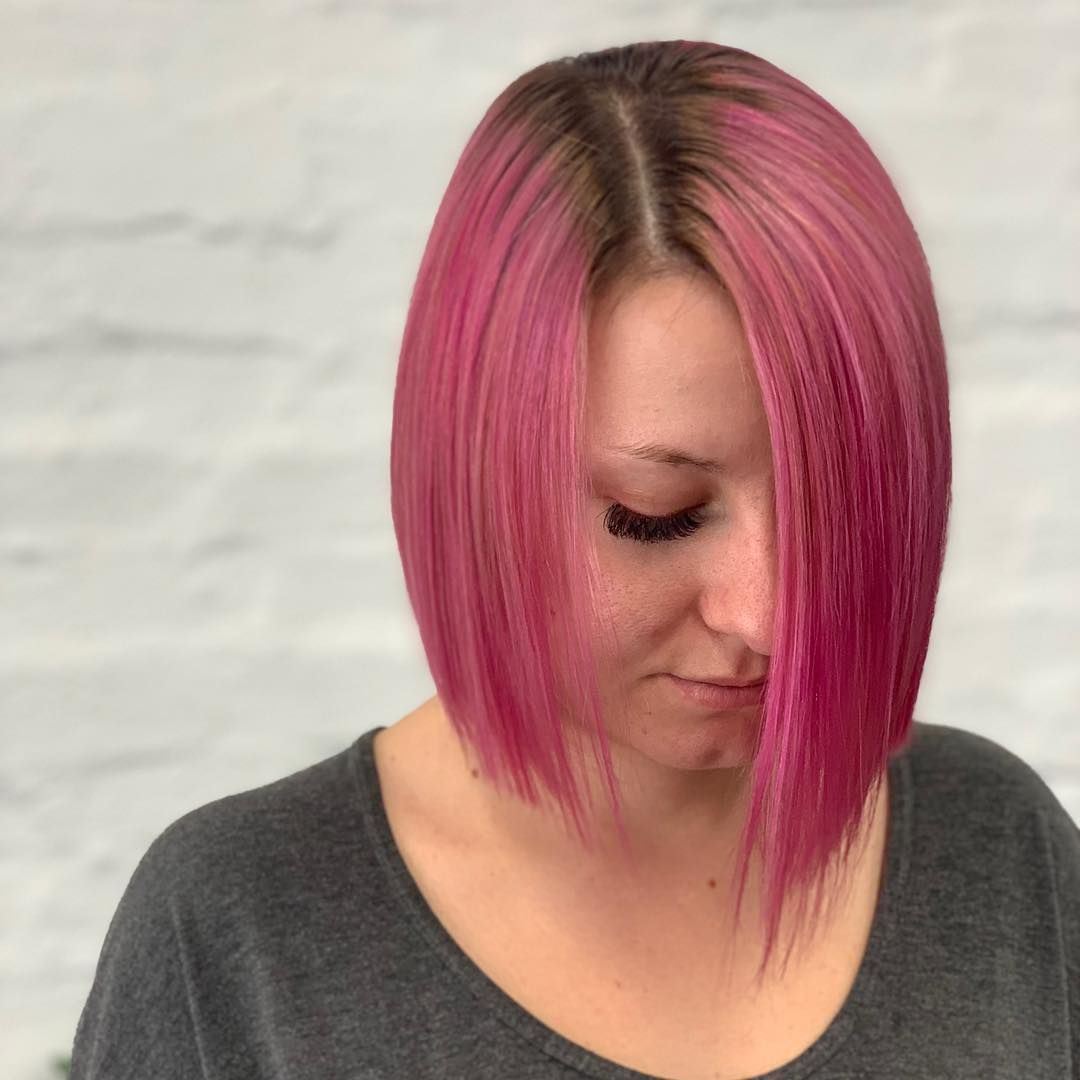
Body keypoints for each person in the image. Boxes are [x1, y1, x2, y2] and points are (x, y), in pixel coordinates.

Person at [69, 40, 1079, 1080]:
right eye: (658, 514)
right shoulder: (240, 935)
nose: (771, 616)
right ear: (476, 481)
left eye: (840, 506)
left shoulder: (1000, 853)